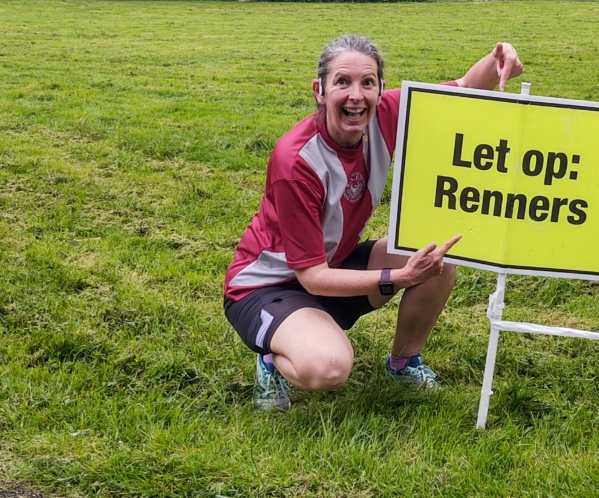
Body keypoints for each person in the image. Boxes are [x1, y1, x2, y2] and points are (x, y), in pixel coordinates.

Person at [224, 34, 524, 411]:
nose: (356, 95)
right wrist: (398, 278)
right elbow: (312, 277)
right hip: (267, 287)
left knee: (436, 258)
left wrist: (498, 60)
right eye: (342, 82)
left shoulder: (386, 114)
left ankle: (402, 363)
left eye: (367, 82)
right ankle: (271, 356)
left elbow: (463, 88)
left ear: (381, 89)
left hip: (333, 265)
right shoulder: (296, 161)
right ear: (319, 90)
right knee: (329, 368)